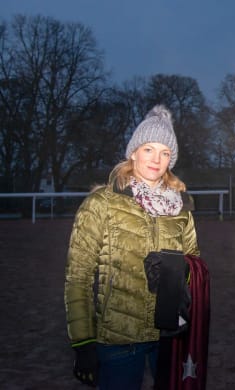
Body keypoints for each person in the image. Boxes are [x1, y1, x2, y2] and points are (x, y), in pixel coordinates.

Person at [64, 105, 204, 389]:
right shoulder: (101, 203)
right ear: (134, 152)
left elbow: (195, 264)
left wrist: (176, 272)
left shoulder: (181, 208)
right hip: (118, 341)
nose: (157, 159)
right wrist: (83, 342)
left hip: (169, 338)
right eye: (149, 149)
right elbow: (77, 276)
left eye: (165, 153)